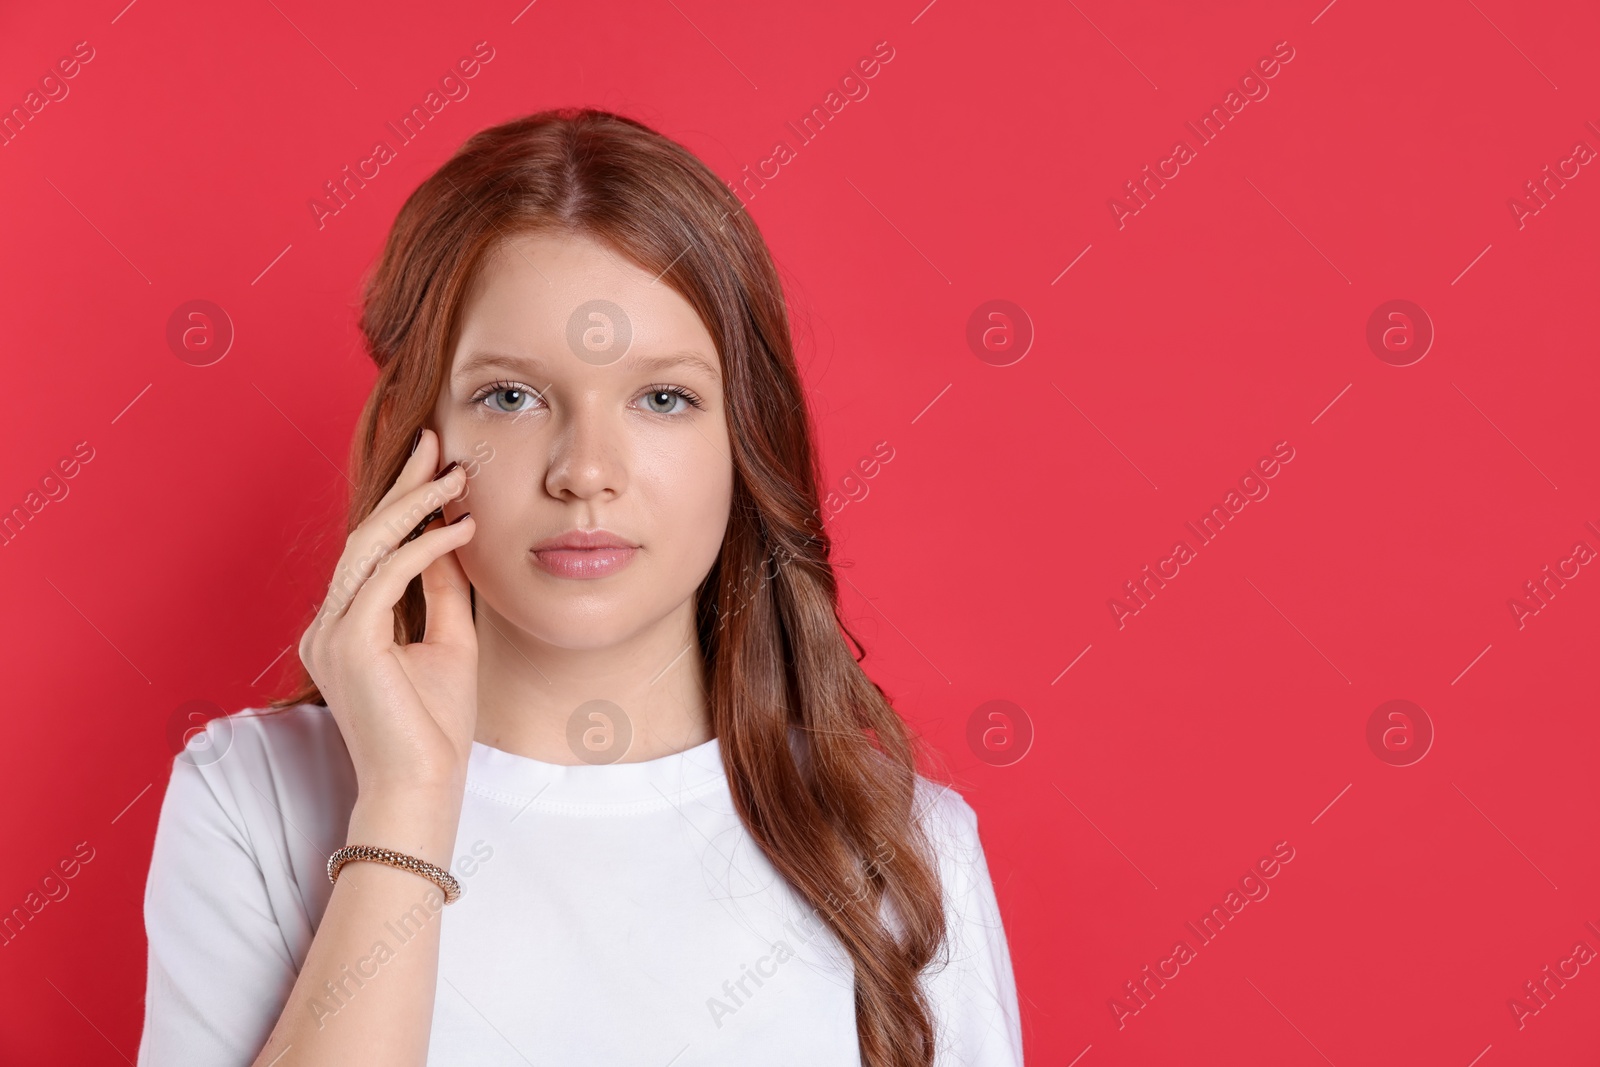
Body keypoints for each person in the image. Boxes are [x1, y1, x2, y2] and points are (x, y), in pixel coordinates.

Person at [136, 107, 1023, 1067]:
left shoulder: (905, 850)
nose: (586, 470)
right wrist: (407, 800)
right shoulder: (249, 799)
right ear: (417, 433)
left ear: (742, 439)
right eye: (510, 396)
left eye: (663, 397)